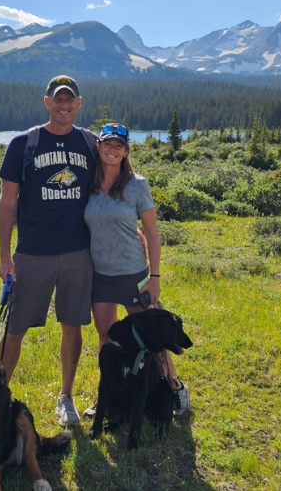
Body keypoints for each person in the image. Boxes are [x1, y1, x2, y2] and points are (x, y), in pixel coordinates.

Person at [0, 75, 96, 426]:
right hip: (32, 253)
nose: (64, 105)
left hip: (78, 253)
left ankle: (65, 396)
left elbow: (115, 187)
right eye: (58, 99)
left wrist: (134, 229)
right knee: (15, 327)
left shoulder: (91, 144)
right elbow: (7, 203)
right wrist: (5, 256)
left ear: (79, 104)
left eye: (70, 100)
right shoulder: (23, 144)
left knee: (73, 324)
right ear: (47, 102)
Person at [83, 123, 190, 419]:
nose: (112, 150)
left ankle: (174, 387)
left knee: (153, 340)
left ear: (127, 151)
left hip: (133, 275)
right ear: (99, 147)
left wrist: (154, 277)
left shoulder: (136, 185)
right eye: (107, 144)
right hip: (100, 276)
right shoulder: (89, 185)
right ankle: (110, 394)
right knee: (108, 342)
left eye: (119, 146)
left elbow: (152, 234)